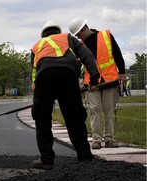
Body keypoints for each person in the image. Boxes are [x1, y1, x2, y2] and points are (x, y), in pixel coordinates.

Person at [30, 21, 100, 170]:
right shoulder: (68, 38)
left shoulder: (37, 46)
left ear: (43, 34)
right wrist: (93, 79)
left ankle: (47, 160)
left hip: (44, 78)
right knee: (74, 117)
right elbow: (87, 55)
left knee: (42, 119)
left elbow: (34, 75)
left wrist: (40, 100)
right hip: (68, 76)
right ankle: (85, 156)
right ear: (58, 31)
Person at [69, 18, 126, 149]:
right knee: (94, 110)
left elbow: (117, 54)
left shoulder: (106, 36)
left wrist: (122, 73)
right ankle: (97, 139)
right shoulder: (79, 45)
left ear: (84, 28)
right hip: (92, 83)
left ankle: (109, 139)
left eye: (79, 34)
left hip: (109, 80)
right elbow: (77, 65)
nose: (78, 37)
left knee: (109, 110)